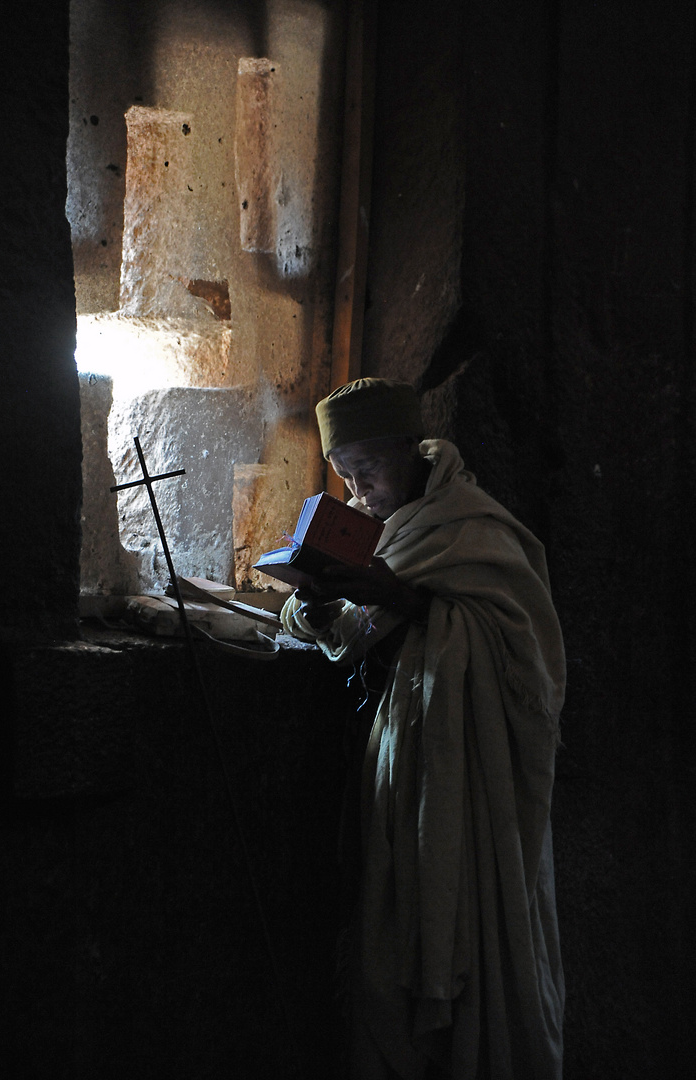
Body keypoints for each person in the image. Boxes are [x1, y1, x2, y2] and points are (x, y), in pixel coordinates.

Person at [280, 379, 566, 1080]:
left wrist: (400, 597)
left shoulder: (472, 528)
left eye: (370, 470)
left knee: (469, 904)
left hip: (467, 765)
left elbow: (527, 651)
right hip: (396, 752)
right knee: (395, 908)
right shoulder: (360, 529)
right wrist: (314, 604)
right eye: (344, 474)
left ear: (410, 451)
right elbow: (336, 633)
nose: (360, 489)